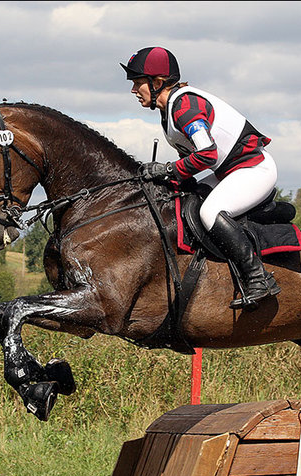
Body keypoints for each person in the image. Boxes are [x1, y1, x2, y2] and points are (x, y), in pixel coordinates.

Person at [120, 46, 280, 308]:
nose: (134, 91)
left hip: (254, 168)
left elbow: (207, 154)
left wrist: (168, 169)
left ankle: (258, 279)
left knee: (210, 213)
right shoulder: (168, 110)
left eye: (138, 83)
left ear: (158, 82)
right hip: (229, 171)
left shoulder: (183, 106)